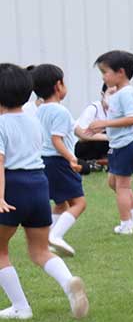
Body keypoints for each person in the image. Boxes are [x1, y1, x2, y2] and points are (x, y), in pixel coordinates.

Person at [0, 63, 89, 321]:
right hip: (39, 185)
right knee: (39, 250)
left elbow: (1, 163)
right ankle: (69, 282)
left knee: (1, 251)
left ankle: (21, 307)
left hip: (13, 186)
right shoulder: (34, 119)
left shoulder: (1, 124)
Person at [90, 50, 133, 235]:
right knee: (112, 181)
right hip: (119, 144)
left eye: (105, 72)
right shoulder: (118, 93)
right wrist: (107, 103)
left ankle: (126, 224)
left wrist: (104, 123)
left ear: (121, 72)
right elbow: (118, 113)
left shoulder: (126, 93)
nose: (103, 77)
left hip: (128, 143)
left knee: (122, 185)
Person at [30, 65, 86, 257]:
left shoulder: (38, 110)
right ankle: (56, 235)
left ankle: (47, 240)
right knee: (79, 203)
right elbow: (57, 139)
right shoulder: (60, 111)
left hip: (44, 162)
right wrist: (71, 157)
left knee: (60, 203)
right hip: (59, 162)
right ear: (58, 85)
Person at [72, 84, 111, 171]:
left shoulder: (115, 112)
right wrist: (108, 137)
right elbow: (81, 135)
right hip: (80, 146)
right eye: (110, 94)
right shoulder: (93, 109)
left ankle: (101, 162)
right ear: (103, 94)